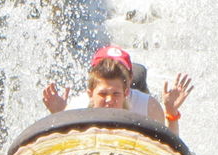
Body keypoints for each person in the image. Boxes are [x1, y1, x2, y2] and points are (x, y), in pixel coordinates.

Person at [42, 45, 193, 129]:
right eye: (102, 94)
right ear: (91, 92)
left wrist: (171, 114)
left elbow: (170, 150)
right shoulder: (77, 106)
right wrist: (59, 116)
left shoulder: (148, 106)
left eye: (116, 93)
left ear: (128, 83)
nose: (109, 100)